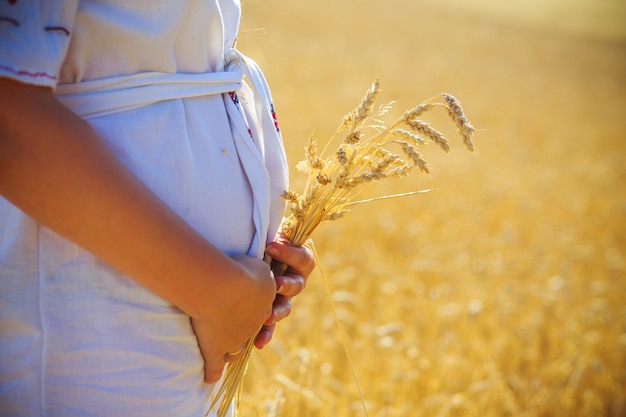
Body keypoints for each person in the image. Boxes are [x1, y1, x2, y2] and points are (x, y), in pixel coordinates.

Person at [0, 1, 314, 416]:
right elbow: (10, 117)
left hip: (166, 311)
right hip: (87, 316)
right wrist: (218, 293)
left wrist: (255, 265)